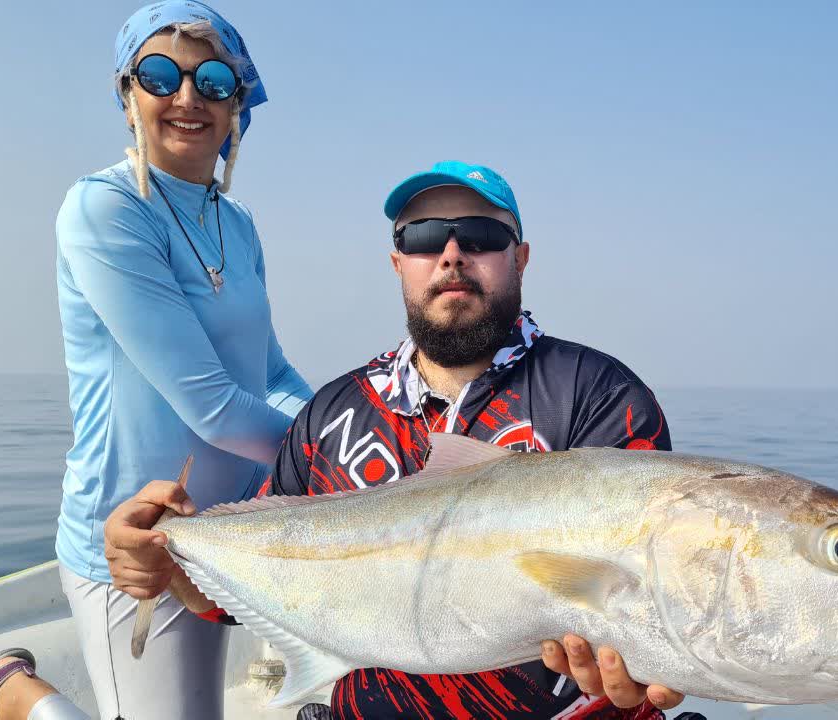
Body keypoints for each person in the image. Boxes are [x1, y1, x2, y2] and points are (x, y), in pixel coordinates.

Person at [105, 161, 688, 719]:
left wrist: (659, 657)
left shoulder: (601, 396)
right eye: (425, 237)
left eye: (481, 235)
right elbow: (252, 596)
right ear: (397, 262)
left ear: (522, 257)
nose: (452, 255)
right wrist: (170, 567)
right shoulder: (330, 416)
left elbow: (646, 596)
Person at [51, 2, 311, 718]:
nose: (188, 97)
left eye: (214, 80)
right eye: (160, 75)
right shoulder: (103, 210)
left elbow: (272, 375)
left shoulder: (238, 222)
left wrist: (347, 423)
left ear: (239, 104)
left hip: (229, 534)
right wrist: (341, 459)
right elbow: (213, 407)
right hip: (136, 541)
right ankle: (14, 695)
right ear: (128, 93)